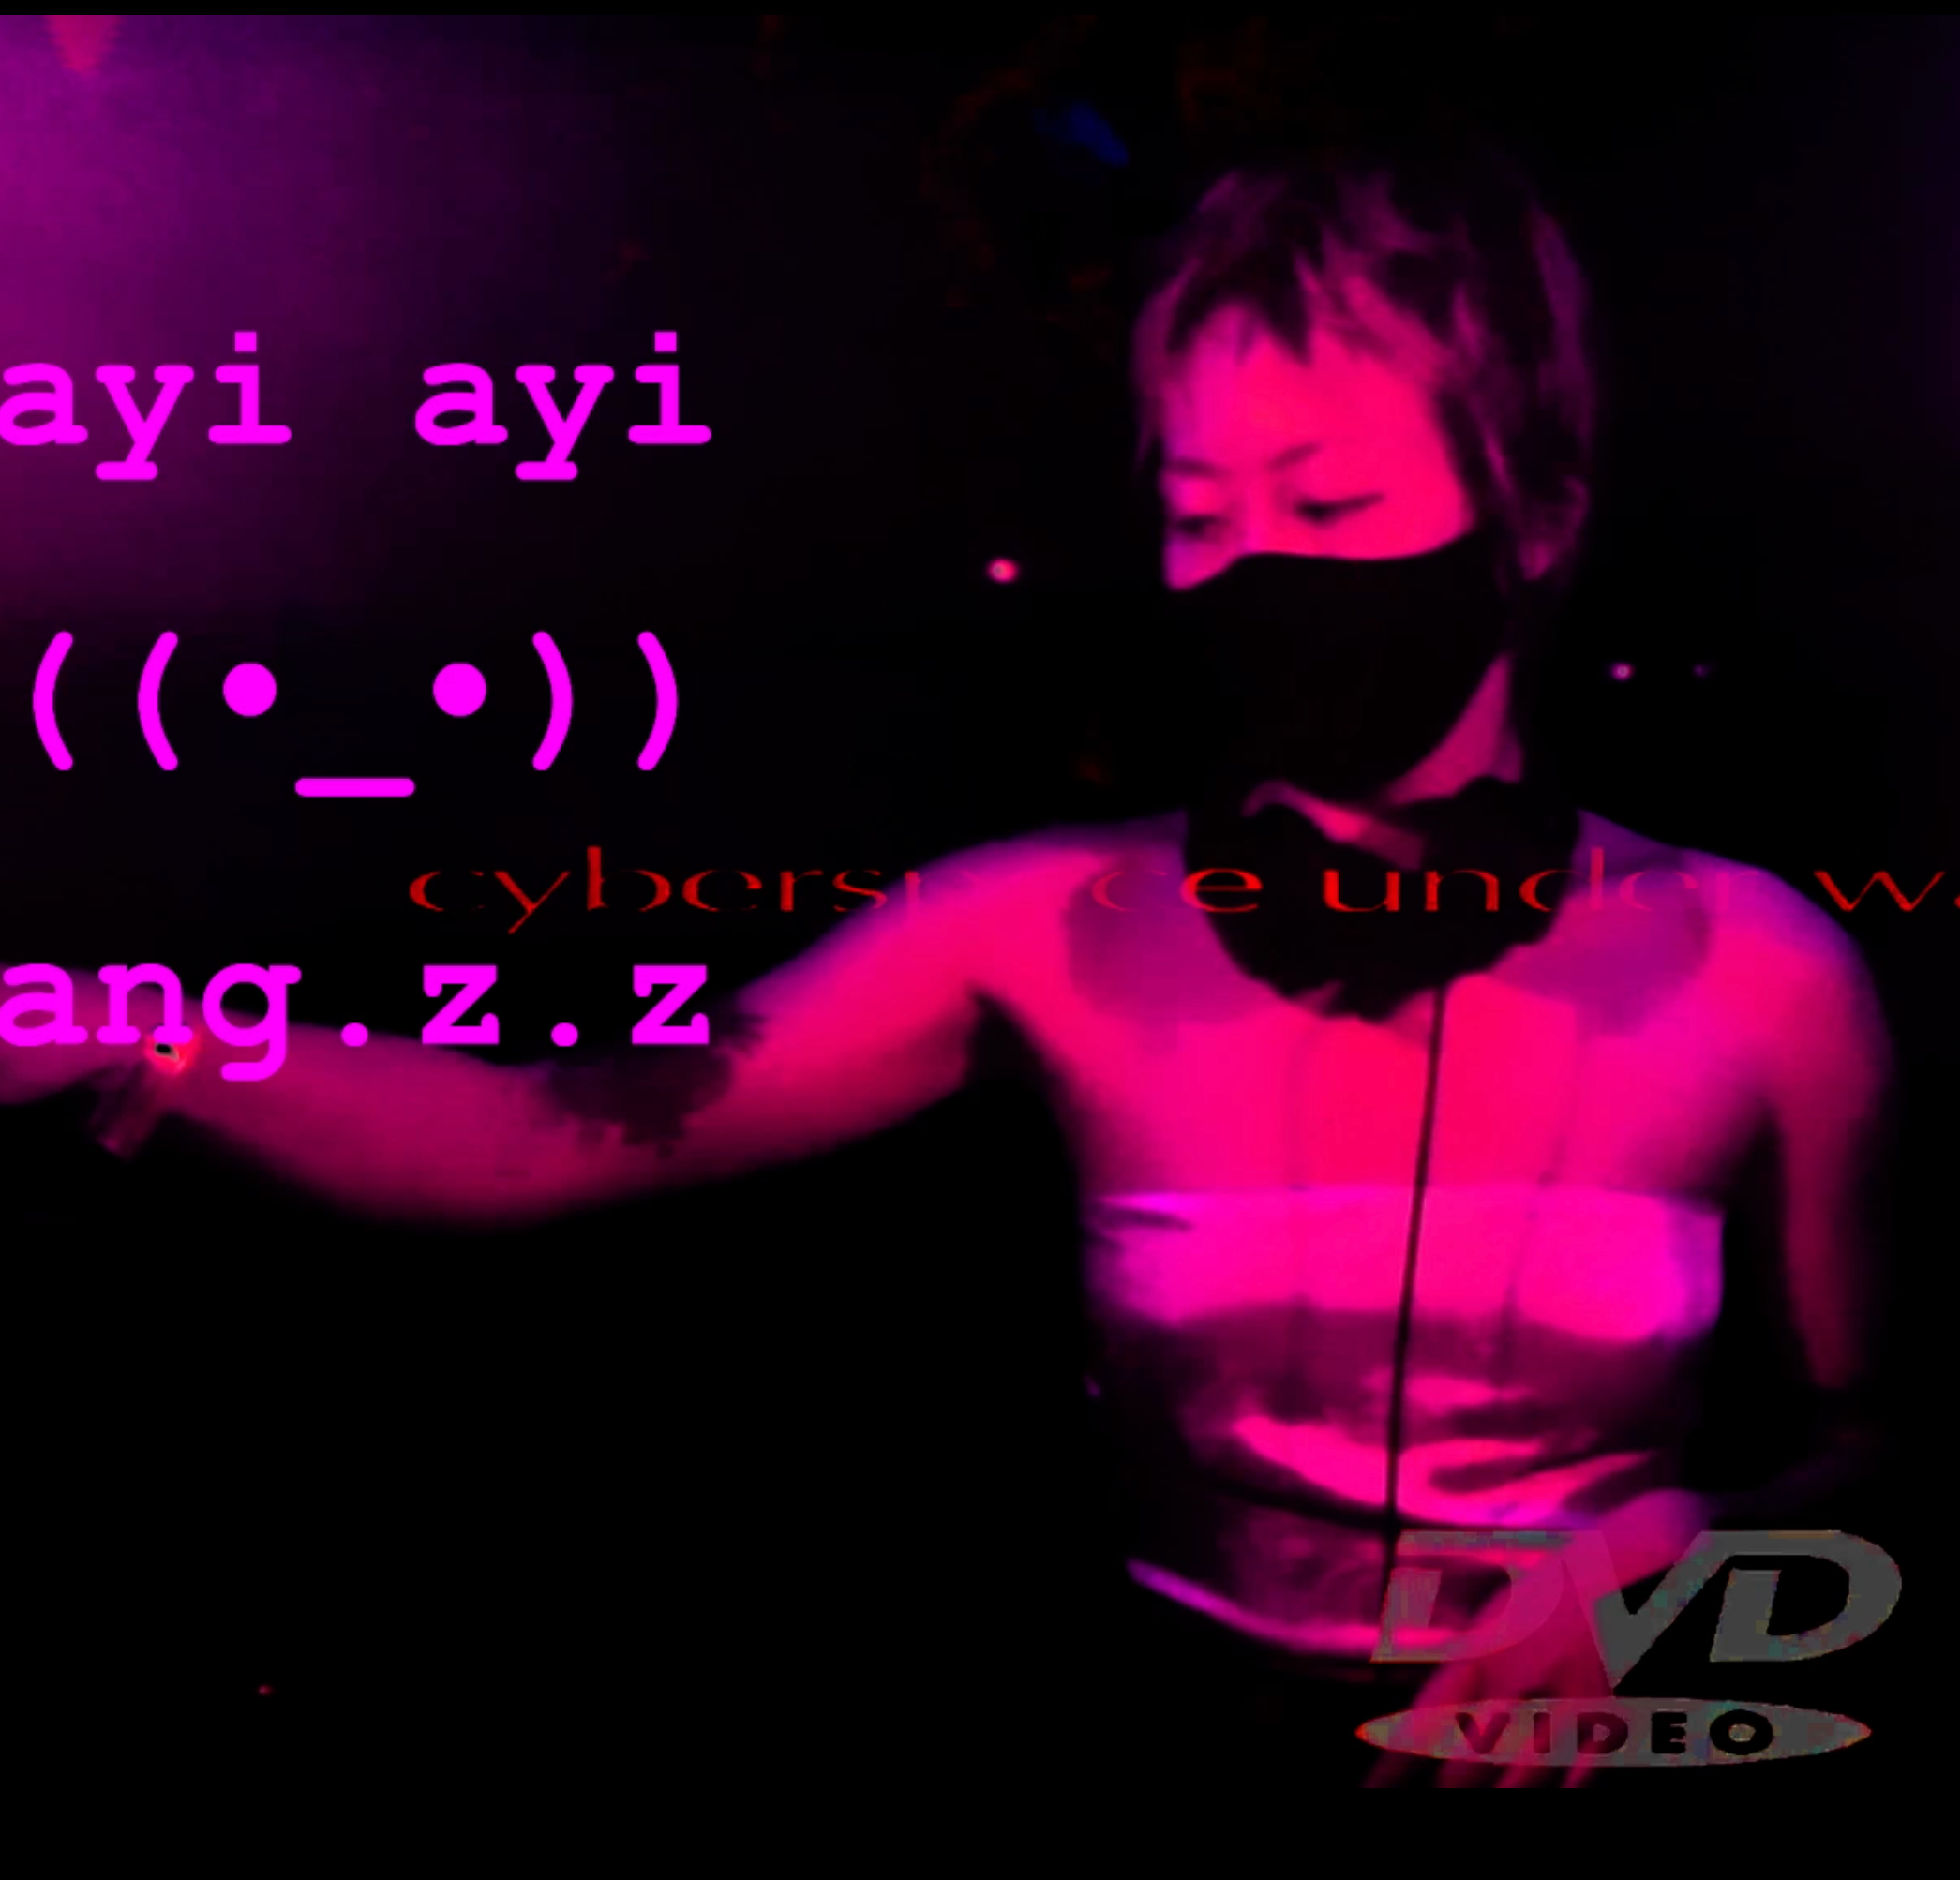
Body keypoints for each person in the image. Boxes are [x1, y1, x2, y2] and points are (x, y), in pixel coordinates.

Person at [3, 141, 1890, 1786]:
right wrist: (127, 1030)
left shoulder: (1762, 972)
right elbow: (534, 1134)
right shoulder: (1039, 926)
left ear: (1535, 514)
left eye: (1327, 509)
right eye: (1199, 515)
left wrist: (1682, 1562)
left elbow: (1875, 1449)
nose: (1254, 570)